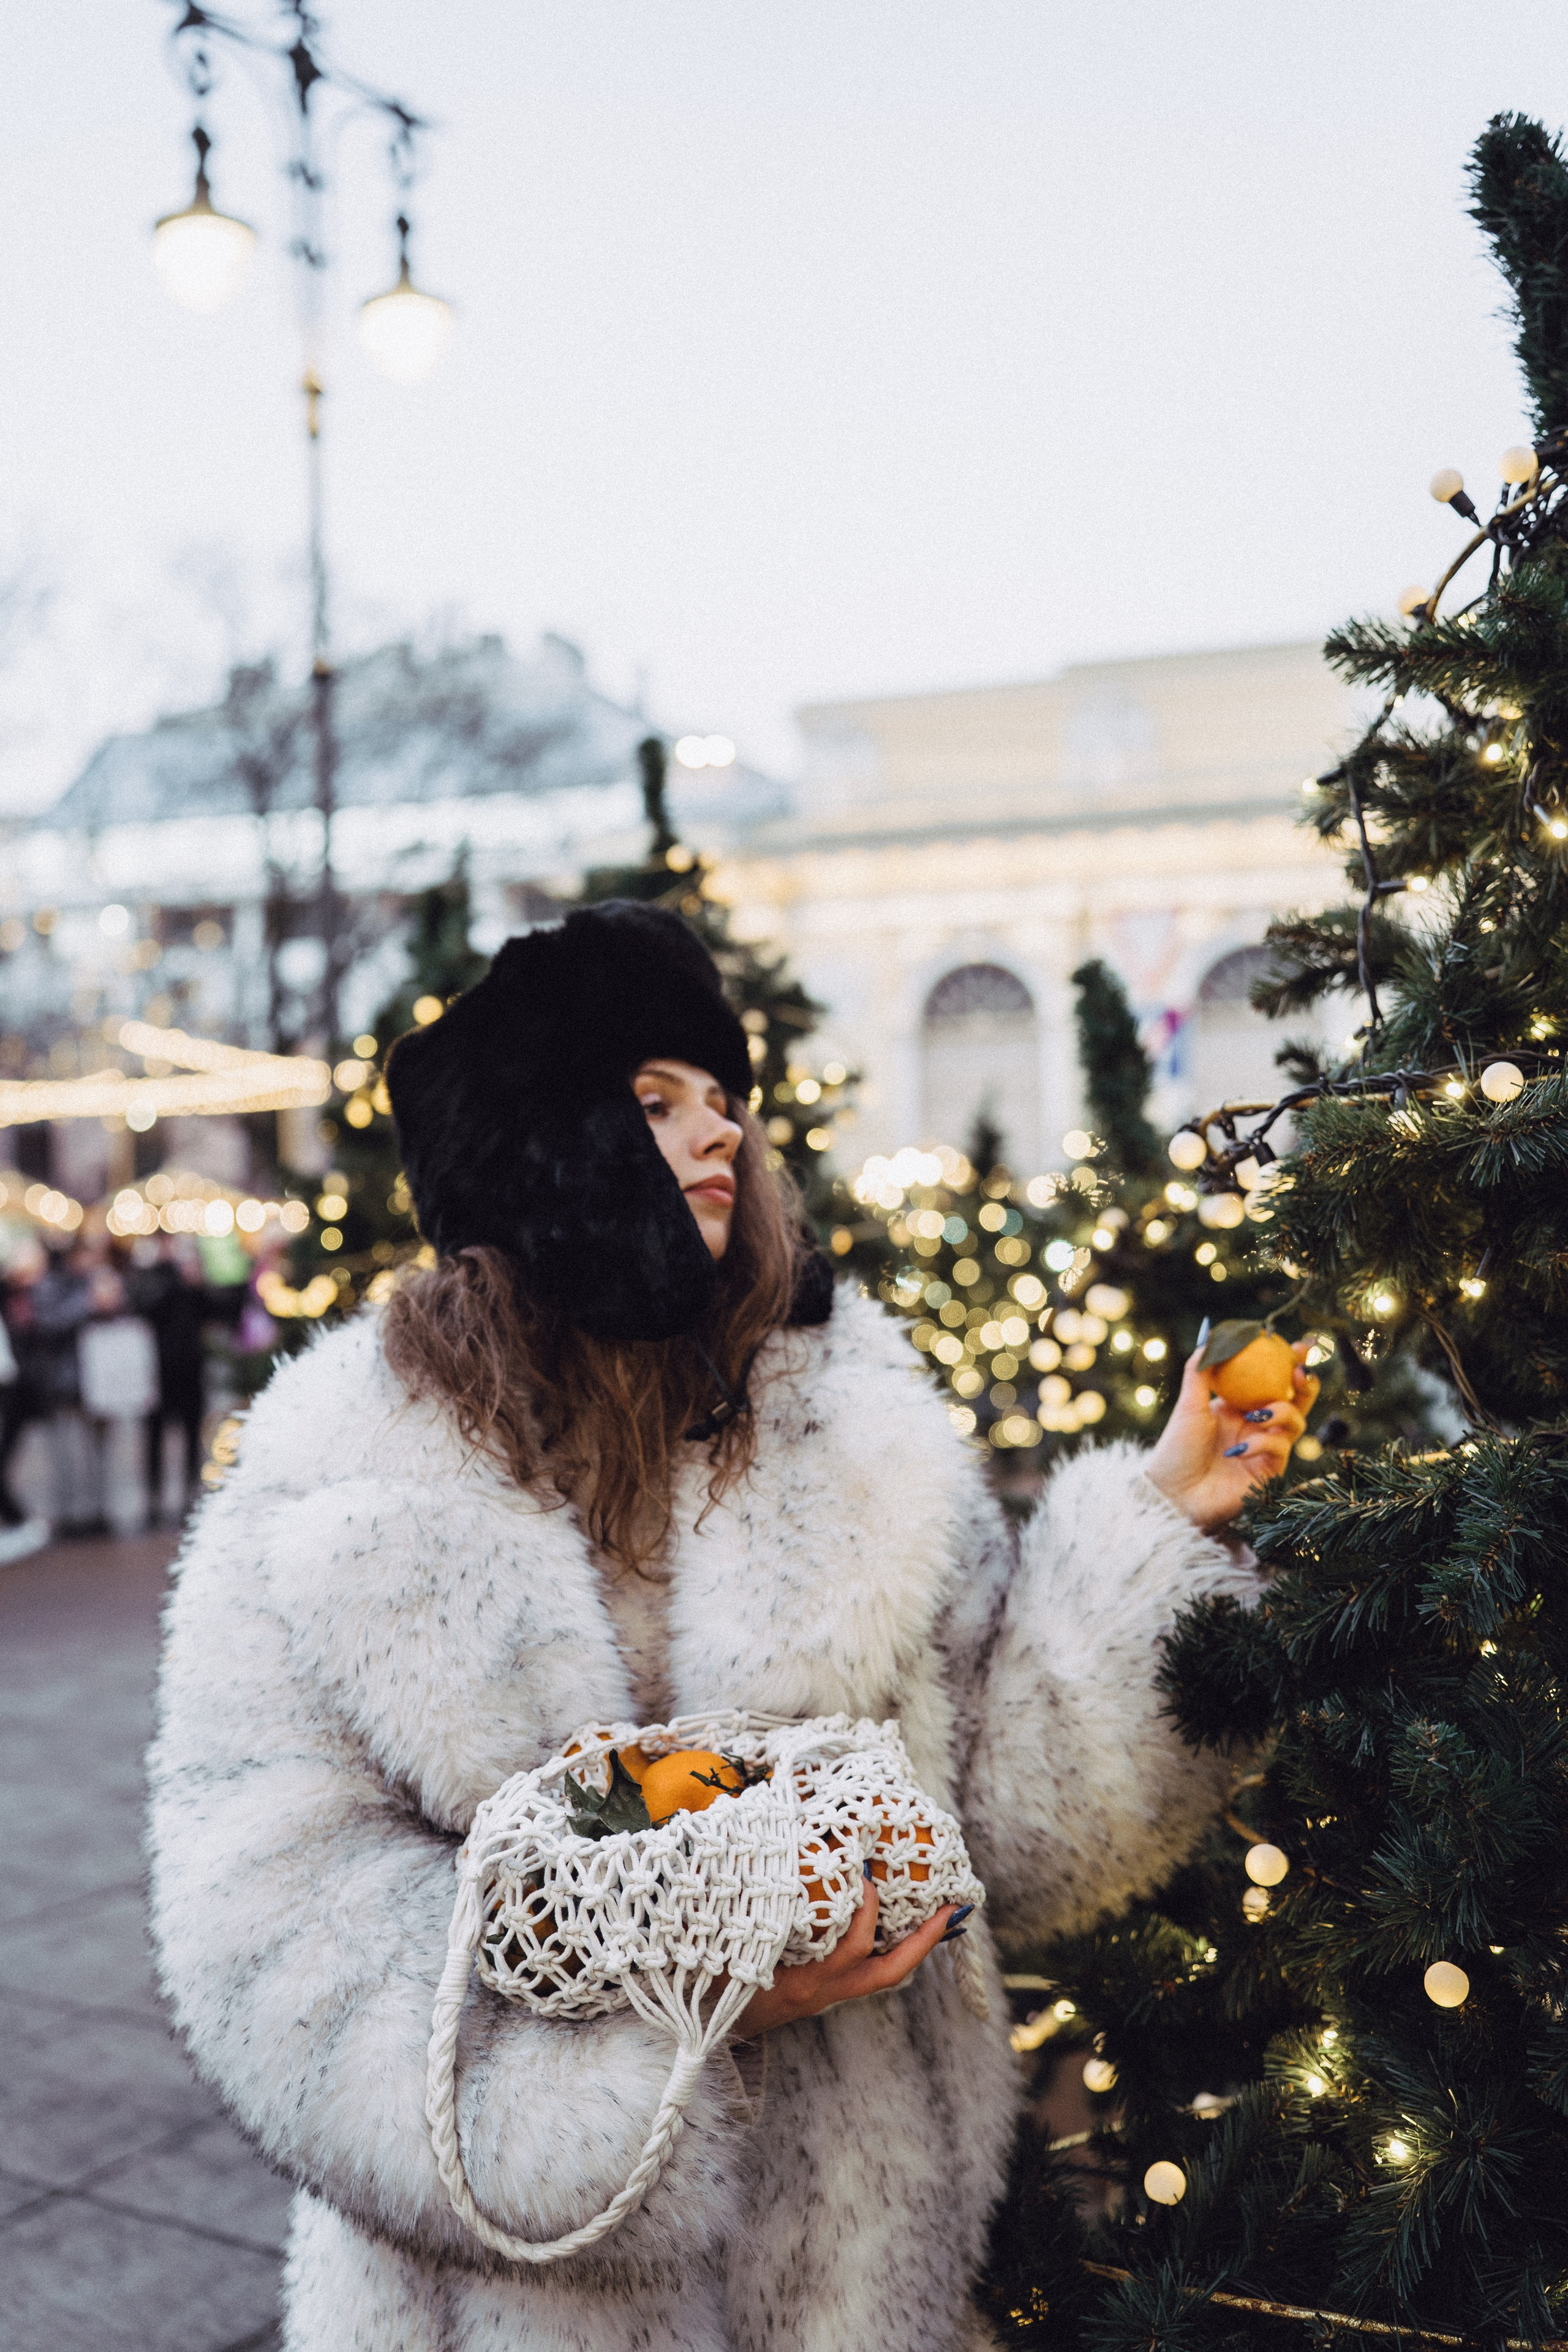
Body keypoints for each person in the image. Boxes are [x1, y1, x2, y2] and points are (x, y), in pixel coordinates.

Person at [148, 903, 1316, 2352]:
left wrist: (1160, 1525)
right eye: (657, 1101)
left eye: (723, 1099)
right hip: (514, 2307)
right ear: (538, 1140)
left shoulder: (846, 1428)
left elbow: (995, 1817)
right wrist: (676, 2015)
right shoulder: (342, 1489)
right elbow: (273, 1942)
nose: (721, 1133)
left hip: (856, 2290)